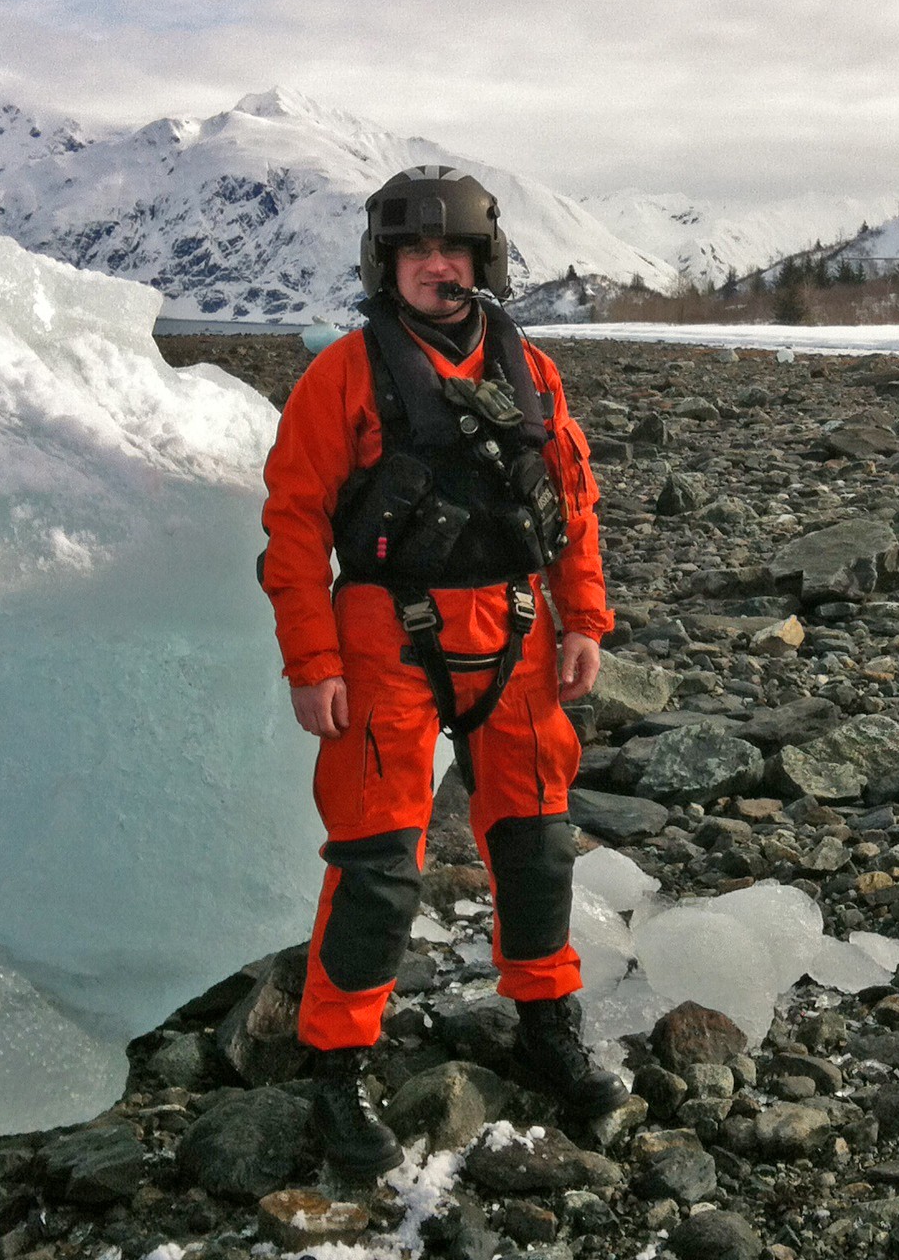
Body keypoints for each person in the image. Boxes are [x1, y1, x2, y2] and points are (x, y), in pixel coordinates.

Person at [259, 165, 626, 1177]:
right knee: (378, 861)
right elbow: (293, 526)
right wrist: (311, 659)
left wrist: (583, 615)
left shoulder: (531, 373)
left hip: (514, 623)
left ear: (481, 262)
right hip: (386, 634)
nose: (435, 266)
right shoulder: (341, 376)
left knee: (537, 837)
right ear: (387, 265)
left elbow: (570, 501)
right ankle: (335, 1064)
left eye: (452, 251)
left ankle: (545, 1024)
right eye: (415, 252)